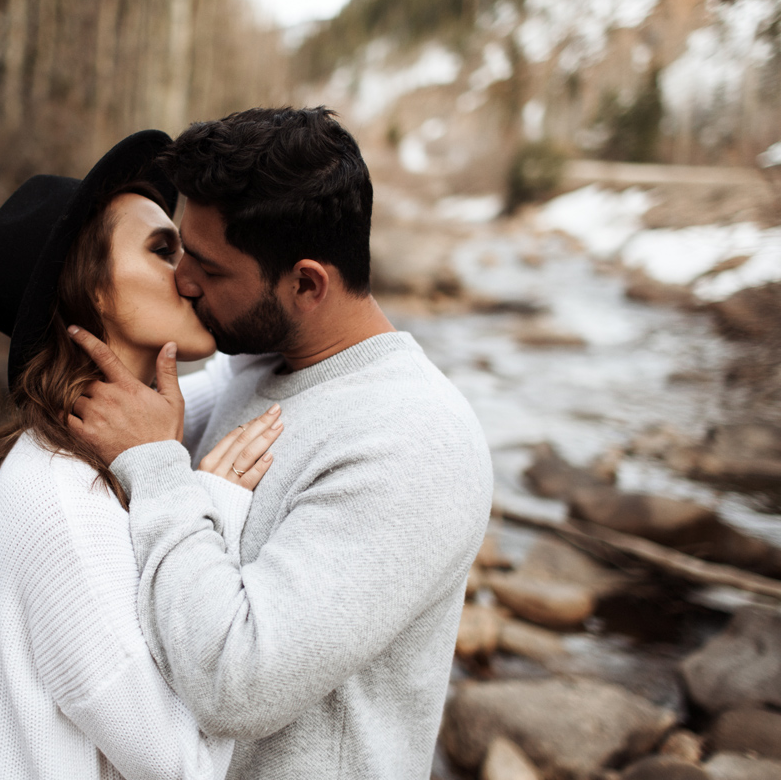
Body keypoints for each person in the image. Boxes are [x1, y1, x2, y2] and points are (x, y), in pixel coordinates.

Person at [66, 108, 494, 780]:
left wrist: (158, 470)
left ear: (305, 283)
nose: (184, 280)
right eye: (178, 250)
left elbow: (237, 685)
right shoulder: (261, 362)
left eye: (208, 267)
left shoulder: (413, 442)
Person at [0, 130, 283, 780]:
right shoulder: (62, 500)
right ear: (93, 291)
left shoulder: (101, 450)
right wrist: (207, 506)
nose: (191, 274)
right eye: (164, 251)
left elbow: (257, 362)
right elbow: (184, 767)